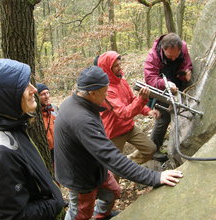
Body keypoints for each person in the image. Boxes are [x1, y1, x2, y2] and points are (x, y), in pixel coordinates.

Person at [54, 66, 183, 220]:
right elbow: (112, 157)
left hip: (95, 165)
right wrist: (155, 177)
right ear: (92, 92)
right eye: (104, 91)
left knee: (113, 191)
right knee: (80, 213)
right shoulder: (81, 118)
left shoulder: (79, 102)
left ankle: (101, 215)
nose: (107, 94)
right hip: (81, 176)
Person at [0, 59, 64, 219]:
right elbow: (13, 216)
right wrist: (55, 203)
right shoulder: (4, 152)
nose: (33, 89)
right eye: (24, 85)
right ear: (6, 96)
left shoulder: (14, 126)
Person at [96, 51, 160, 164]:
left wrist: (147, 111)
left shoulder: (121, 80)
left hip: (129, 127)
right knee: (115, 167)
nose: (119, 68)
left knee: (150, 149)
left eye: (119, 64)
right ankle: (119, 172)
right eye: (115, 66)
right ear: (107, 68)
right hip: (114, 133)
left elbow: (132, 100)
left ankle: (127, 165)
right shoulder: (106, 90)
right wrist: (142, 99)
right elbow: (123, 113)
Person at [144, 32, 192, 161]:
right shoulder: (153, 56)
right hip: (162, 88)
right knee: (163, 118)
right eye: (169, 56)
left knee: (182, 113)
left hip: (178, 85)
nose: (173, 59)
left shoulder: (183, 47)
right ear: (162, 49)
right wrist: (165, 83)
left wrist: (186, 72)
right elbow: (150, 78)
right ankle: (153, 150)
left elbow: (186, 63)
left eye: (175, 56)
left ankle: (180, 143)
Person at [36, 82, 58, 162]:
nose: (47, 96)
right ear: (36, 97)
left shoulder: (54, 110)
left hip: (58, 150)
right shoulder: (36, 116)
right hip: (45, 152)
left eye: (48, 93)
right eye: (43, 94)